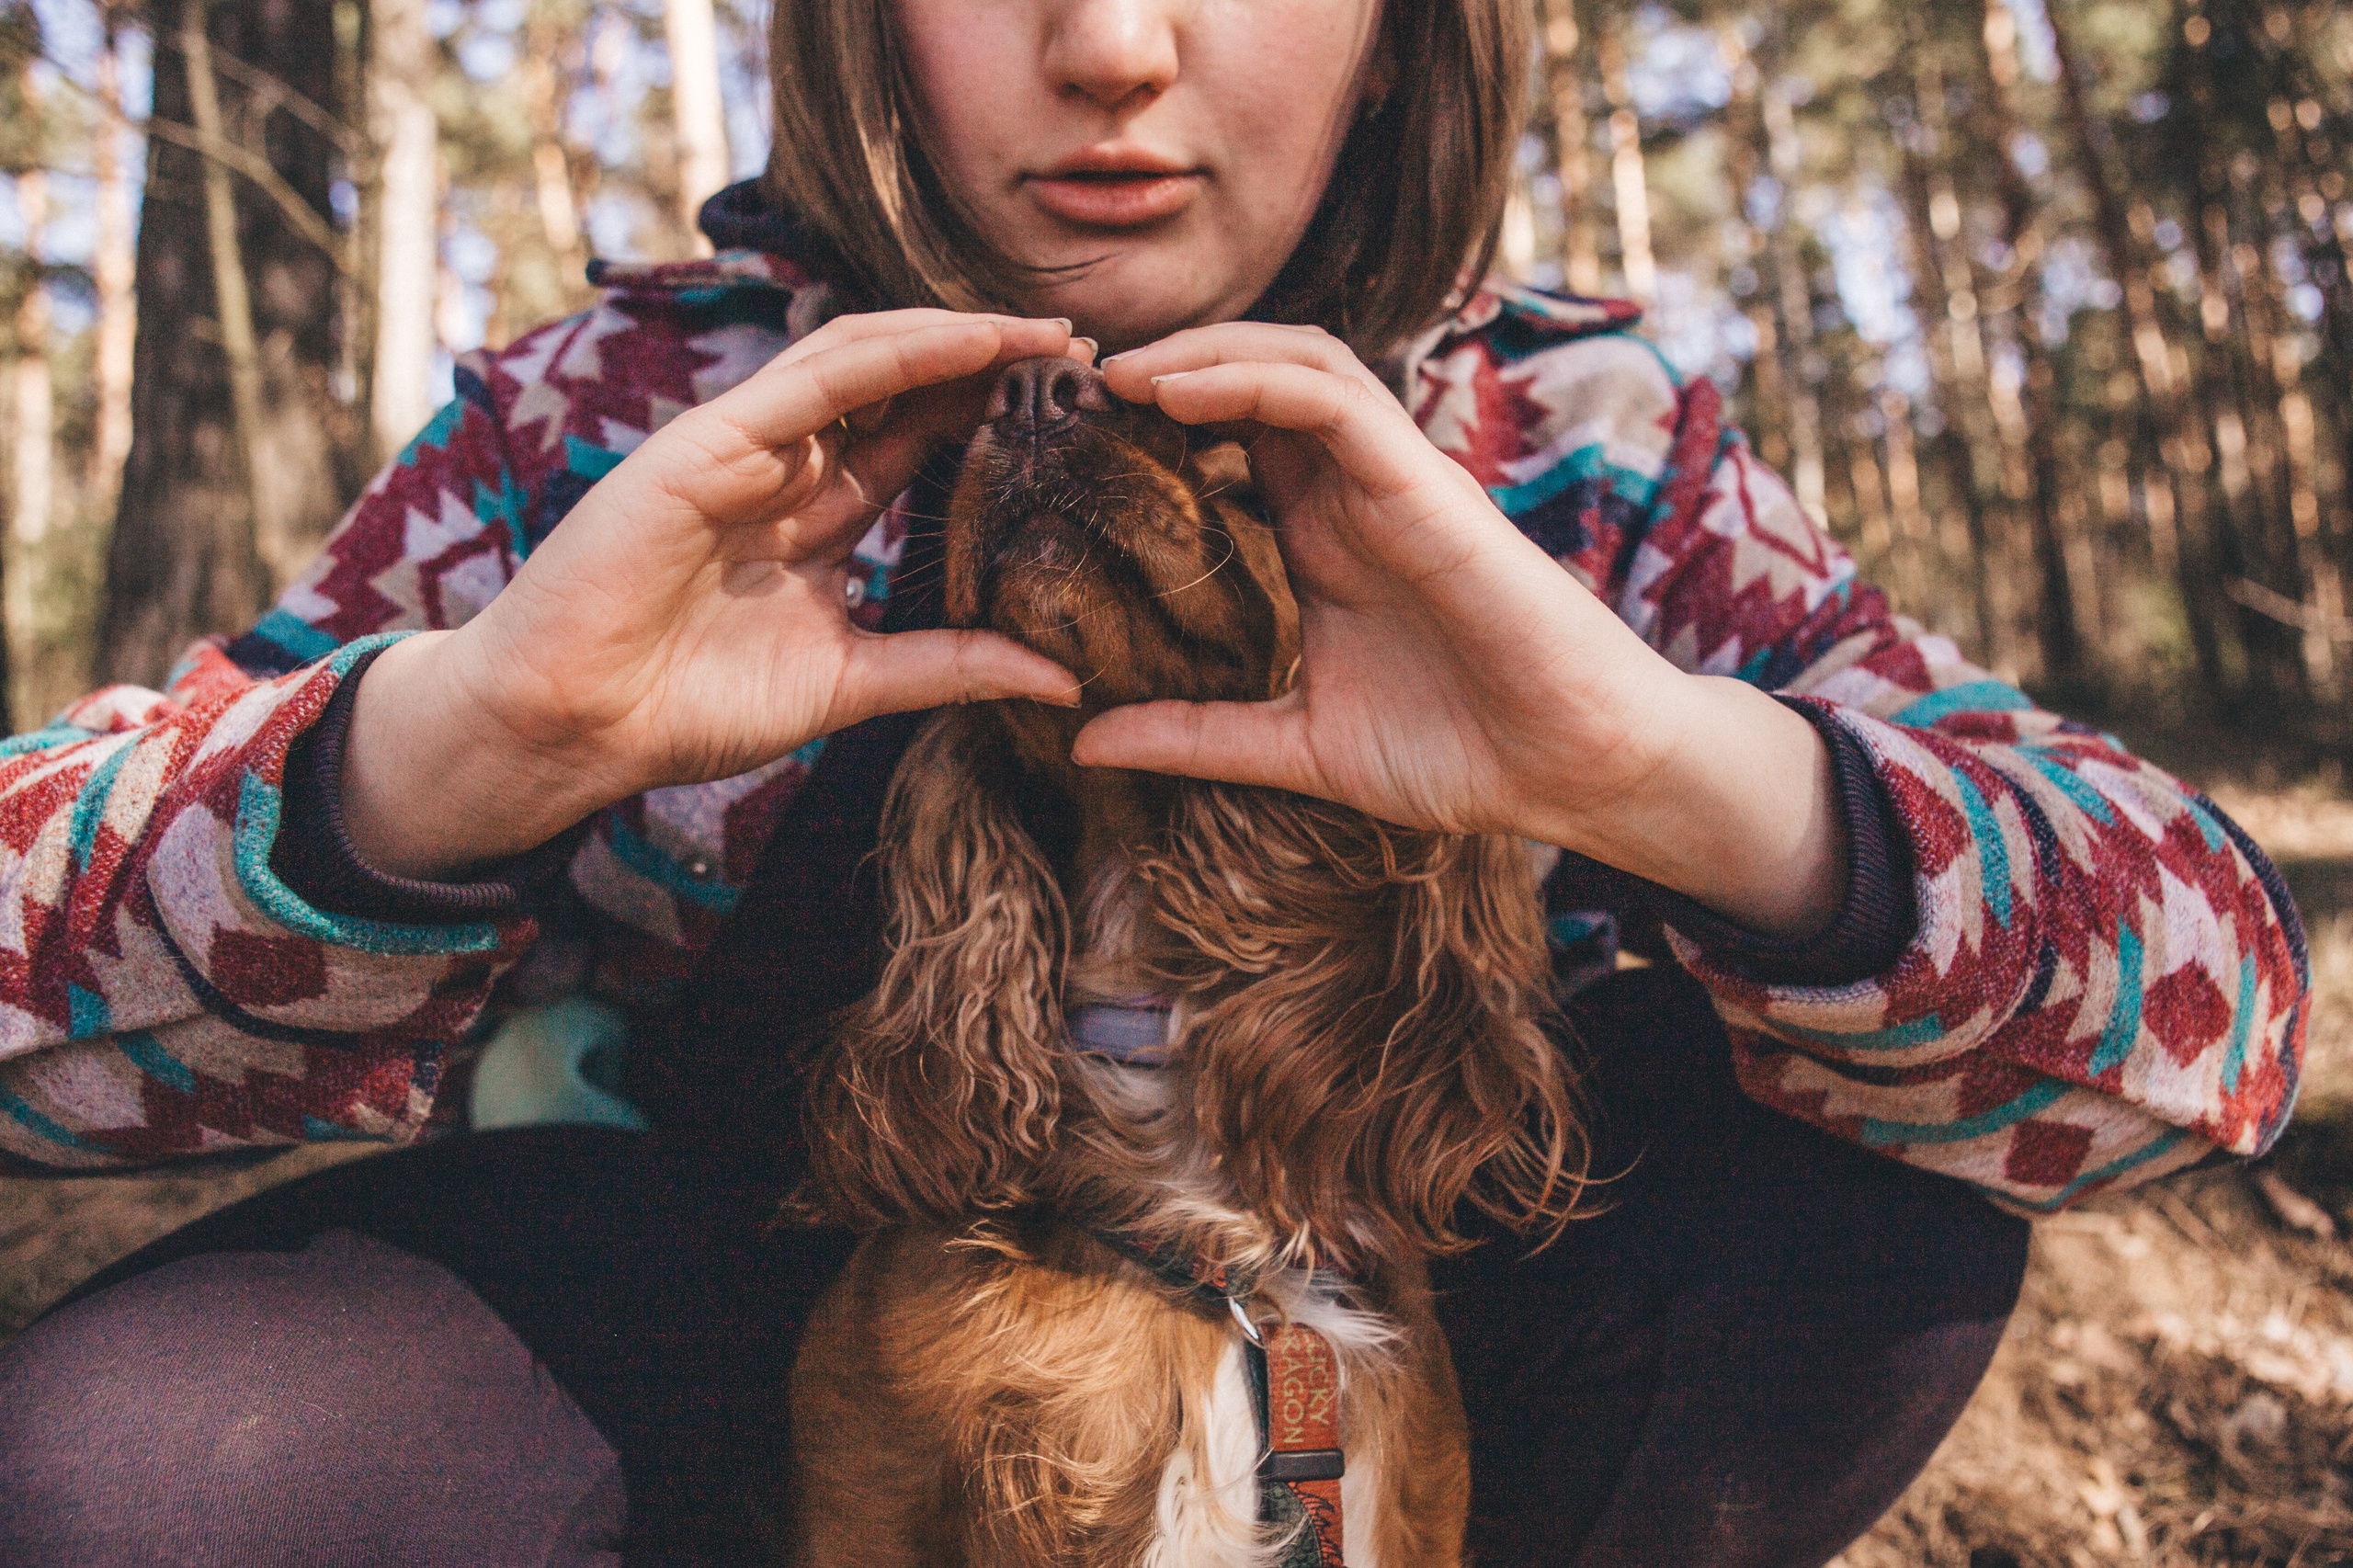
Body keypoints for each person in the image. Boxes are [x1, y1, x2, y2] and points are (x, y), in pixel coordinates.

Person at [0, 2, 2307, 1564]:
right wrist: (439, 756)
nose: (1110, 43)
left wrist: (1658, 768)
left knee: (1860, 1233)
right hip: (763, 1337)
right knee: (143, 1473)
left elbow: (2213, 1019)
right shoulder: (603, 416)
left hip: (1451, 1304)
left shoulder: (1580, 449)